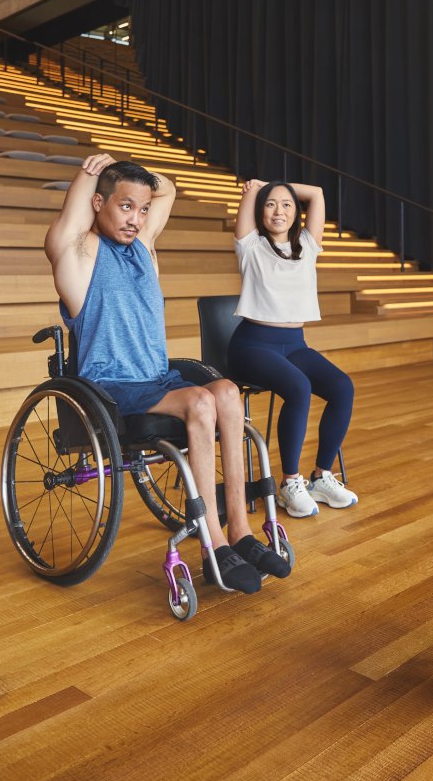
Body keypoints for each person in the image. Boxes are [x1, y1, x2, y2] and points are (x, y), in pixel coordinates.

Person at [44, 153, 290, 593]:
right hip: (111, 386)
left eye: (142, 208)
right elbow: (71, 219)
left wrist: (136, 182)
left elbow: (168, 190)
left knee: (228, 392)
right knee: (199, 400)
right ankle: (213, 543)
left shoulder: (143, 249)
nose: (137, 218)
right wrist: (93, 173)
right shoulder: (78, 255)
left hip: (156, 378)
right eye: (125, 206)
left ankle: (240, 530)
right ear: (98, 203)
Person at [228, 179, 357, 517]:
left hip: (294, 344)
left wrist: (275, 186)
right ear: (260, 210)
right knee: (299, 386)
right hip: (252, 344)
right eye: (270, 204)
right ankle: (289, 482)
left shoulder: (308, 246)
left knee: (342, 387)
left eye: (286, 204)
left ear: (297, 212)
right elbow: (250, 215)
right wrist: (256, 189)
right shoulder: (251, 246)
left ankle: (321, 476)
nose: (279, 210)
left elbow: (317, 192)